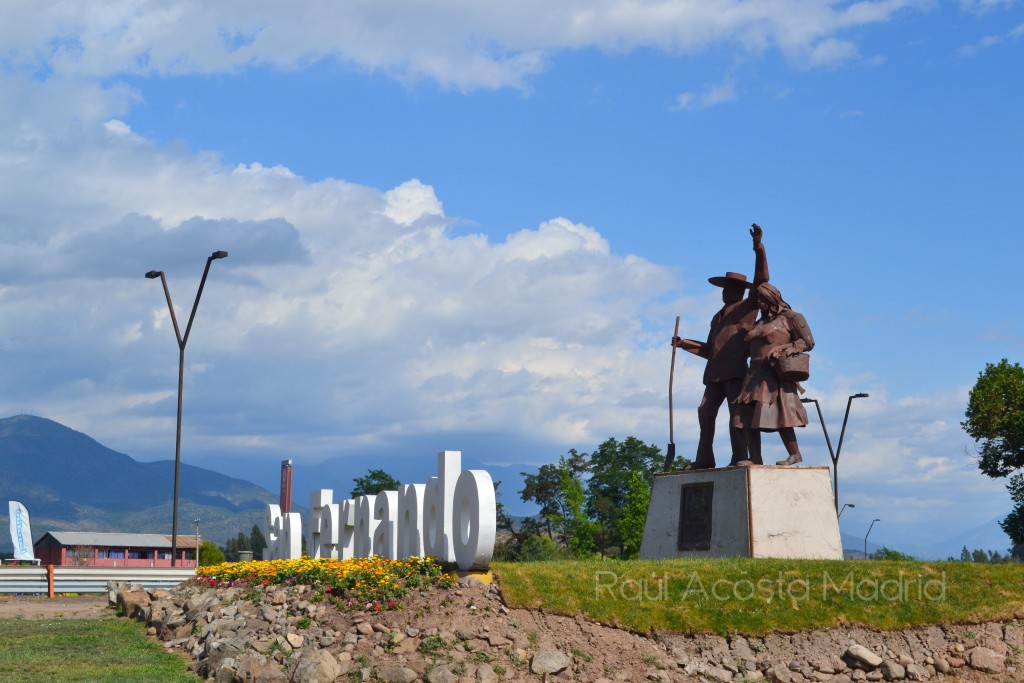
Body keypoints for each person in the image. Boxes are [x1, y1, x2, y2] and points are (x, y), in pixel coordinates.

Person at [671, 225, 767, 469]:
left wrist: (758, 248)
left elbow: (761, 279)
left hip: (736, 374)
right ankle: (704, 459)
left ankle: (740, 456)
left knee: (736, 417)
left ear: (738, 291)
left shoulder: (747, 309)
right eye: (724, 288)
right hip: (714, 375)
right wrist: (685, 345)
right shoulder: (717, 317)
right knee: (705, 415)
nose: (724, 292)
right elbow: (712, 351)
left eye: (729, 288)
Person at [731, 282, 815, 466]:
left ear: (771, 298)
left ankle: (795, 454)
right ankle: (755, 457)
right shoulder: (760, 322)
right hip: (754, 374)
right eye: (758, 298)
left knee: (782, 415)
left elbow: (808, 342)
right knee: (744, 417)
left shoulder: (790, 317)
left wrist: (783, 348)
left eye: (762, 298)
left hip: (774, 374)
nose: (759, 301)